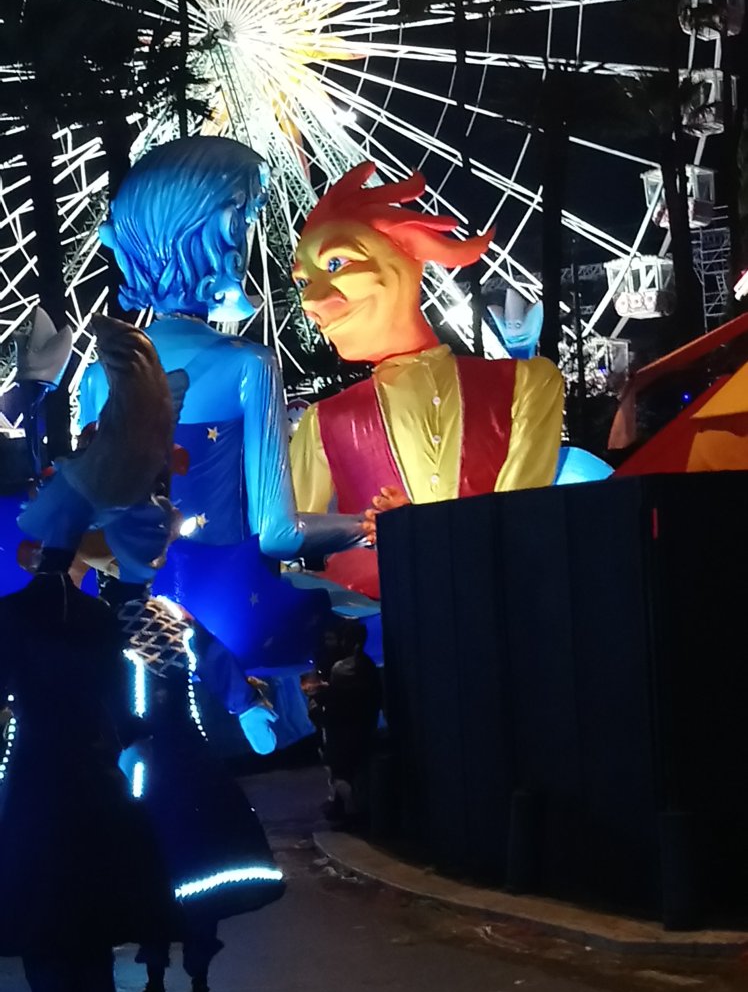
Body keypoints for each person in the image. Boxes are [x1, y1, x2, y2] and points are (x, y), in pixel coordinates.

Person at [82, 137, 367, 679]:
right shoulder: (248, 365)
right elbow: (278, 532)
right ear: (215, 233)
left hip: (131, 626)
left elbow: (90, 526)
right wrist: (366, 525)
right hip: (236, 616)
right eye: (244, 219)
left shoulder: (98, 378)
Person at [290, 162, 565, 598]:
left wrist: (419, 526)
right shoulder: (321, 423)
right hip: (374, 619)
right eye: (304, 281)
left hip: (493, 605)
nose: (311, 299)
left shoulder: (527, 386)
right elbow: (287, 538)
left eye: (336, 263)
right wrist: (360, 530)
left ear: (404, 253)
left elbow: (520, 514)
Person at [90, 566, 284, 992]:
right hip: (152, 764)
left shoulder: (160, 618)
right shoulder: (110, 624)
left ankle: (190, 980)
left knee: (179, 869)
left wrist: (246, 704)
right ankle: (168, 978)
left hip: (169, 765)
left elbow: (212, 656)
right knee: (160, 871)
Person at [0, 544, 174, 992]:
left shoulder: (11, 613)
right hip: (92, 773)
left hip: (35, 775)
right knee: (93, 917)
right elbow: (121, 707)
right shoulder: (96, 616)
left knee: (42, 916)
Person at [306, 617, 382, 828]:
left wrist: (316, 699)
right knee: (350, 773)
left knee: (342, 774)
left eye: (335, 639)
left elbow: (335, 702)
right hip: (360, 727)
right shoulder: (367, 665)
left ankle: (353, 814)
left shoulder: (343, 668)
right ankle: (348, 810)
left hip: (343, 732)